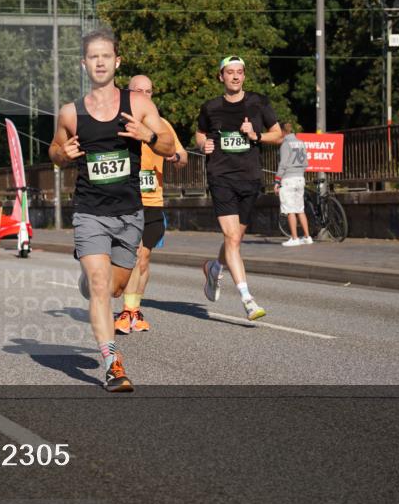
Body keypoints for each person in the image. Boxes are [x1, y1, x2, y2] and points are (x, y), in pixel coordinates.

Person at [48, 28, 174, 392]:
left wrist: (149, 136)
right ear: (83, 64)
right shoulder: (71, 112)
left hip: (130, 212)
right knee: (102, 285)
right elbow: (54, 150)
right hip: (89, 211)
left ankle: (89, 282)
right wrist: (63, 155)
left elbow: (168, 145)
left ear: (117, 62)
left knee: (115, 288)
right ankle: (112, 364)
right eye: (93, 57)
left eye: (106, 56)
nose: (100, 62)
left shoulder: (139, 105)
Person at [196, 56, 283, 321]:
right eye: (230, 72)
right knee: (232, 237)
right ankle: (247, 299)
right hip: (221, 176)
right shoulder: (210, 107)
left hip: (250, 177)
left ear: (244, 76)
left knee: (235, 239)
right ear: (221, 76)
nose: (235, 76)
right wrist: (202, 145)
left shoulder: (258, 103)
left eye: (239, 72)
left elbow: (278, 135)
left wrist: (255, 135)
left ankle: (214, 267)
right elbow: (200, 133)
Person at [113, 75, 189, 335]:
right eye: (139, 91)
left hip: (153, 201)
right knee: (130, 257)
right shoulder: (119, 123)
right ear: (129, 93)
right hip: (125, 200)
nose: (144, 95)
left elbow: (182, 156)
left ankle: (132, 311)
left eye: (148, 91)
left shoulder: (162, 125)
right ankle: (124, 305)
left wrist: (175, 157)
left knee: (143, 258)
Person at [275, 121, 313, 246]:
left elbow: (283, 164)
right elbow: (306, 163)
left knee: (290, 210)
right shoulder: (301, 142)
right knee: (300, 209)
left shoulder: (286, 144)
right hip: (300, 178)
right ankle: (307, 237)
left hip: (288, 179)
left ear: (282, 131)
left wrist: (277, 180)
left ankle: (295, 238)